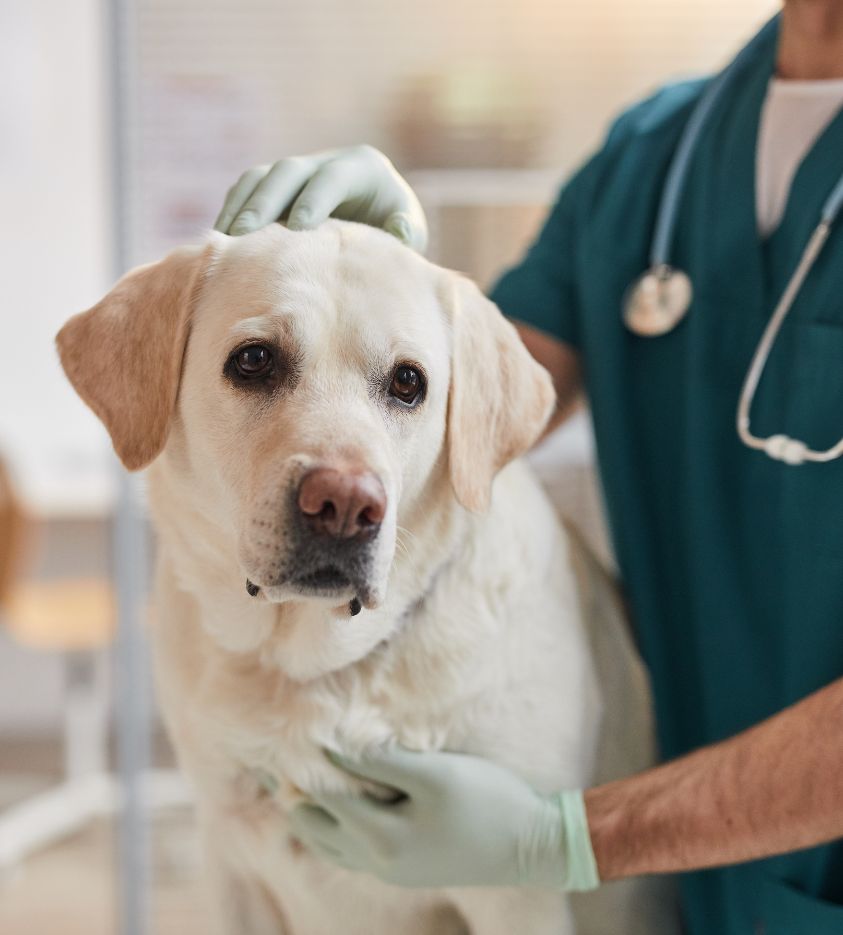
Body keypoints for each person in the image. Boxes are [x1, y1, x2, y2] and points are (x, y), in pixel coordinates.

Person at [213, 2, 843, 931]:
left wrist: (564, 838)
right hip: (703, 892)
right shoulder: (652, 157)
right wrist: (377, 285)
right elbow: (469, 399)